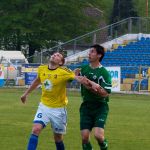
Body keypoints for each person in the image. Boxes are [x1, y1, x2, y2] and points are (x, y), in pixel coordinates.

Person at [20, 52, 87, 150]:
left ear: (60, 62)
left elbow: (75, 77)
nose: (55, 55)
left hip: (59, 110)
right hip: (44, 106)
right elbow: (38, 80)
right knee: (36, 129)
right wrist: (25, 94)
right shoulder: (42, 68)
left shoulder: (63, 72)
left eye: (58, 56)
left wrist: (80, 78)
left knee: (58, 138)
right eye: (54, 54)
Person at [75, 44, 112, 150]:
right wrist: (75, 75)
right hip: (86, 106)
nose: (89, 54)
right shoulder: (83, 69)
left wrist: (87, 84)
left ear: (99, 55)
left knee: (98, 136)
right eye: (89, 51)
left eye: (92, 52)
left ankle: (104, 146)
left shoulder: (104, 73)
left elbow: (105, 93)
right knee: (85, 137)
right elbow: (75, 75)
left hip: (100, 106)